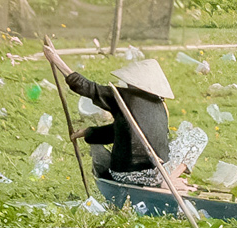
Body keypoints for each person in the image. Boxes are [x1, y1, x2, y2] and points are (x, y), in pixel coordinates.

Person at [42, 46, 193, 189]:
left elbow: (86, 87)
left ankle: (168, 181)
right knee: (198, 136)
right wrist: (88, 132)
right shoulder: (160, 104)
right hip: (158, 172)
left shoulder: (123, 97)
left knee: (195, 136)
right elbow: (126, 131)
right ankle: (169, 178)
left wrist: (56, 60)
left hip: (127, 175)